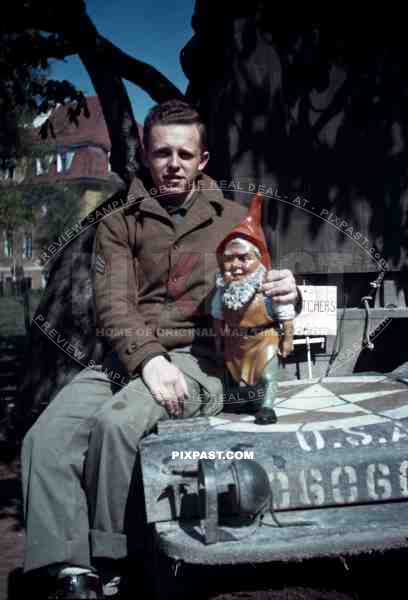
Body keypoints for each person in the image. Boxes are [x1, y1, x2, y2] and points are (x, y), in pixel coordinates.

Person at [21, 99, 300, 599]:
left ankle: (111, 564)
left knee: (116, 424)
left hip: (204, 359)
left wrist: (285, 294)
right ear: (147, 158)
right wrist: (148, 360)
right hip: (130, 356)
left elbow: (254, 293)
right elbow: (113, 304)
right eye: (162, 153)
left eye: (184, 154)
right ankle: (69, 570)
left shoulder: (235, 220)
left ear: (203, 160)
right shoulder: (120, 222)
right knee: (44, 441)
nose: (173, 164)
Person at [212, 192, 295, 425]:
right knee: (240, 377)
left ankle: (268, 408)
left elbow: (286, 315)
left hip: (264, 339)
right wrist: (219, 341)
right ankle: (250, 402)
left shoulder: (268, 288)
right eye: (229, 259)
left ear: (258, 259)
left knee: (267, 376)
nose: (235, 266)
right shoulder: (222, 290)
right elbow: (218, 317)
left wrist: (287, 340)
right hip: (236, 342)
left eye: (243, 258)